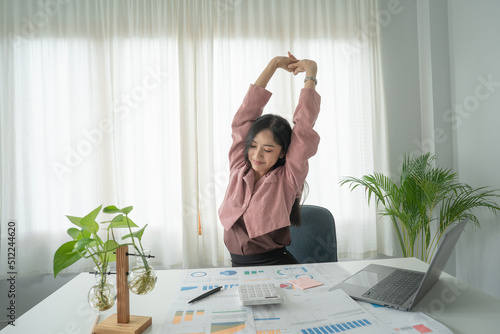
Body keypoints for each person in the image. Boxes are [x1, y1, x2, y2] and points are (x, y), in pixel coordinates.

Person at [218, 52, 321, 267]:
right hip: (237, 266)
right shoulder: (239, 166)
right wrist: (273, 65)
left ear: (283, 152)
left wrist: (310, 74)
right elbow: (243, 118)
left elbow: (303, 129)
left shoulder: (289, 177)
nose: (257, 155)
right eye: (253, 146)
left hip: (274, 267)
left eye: (267, 149)